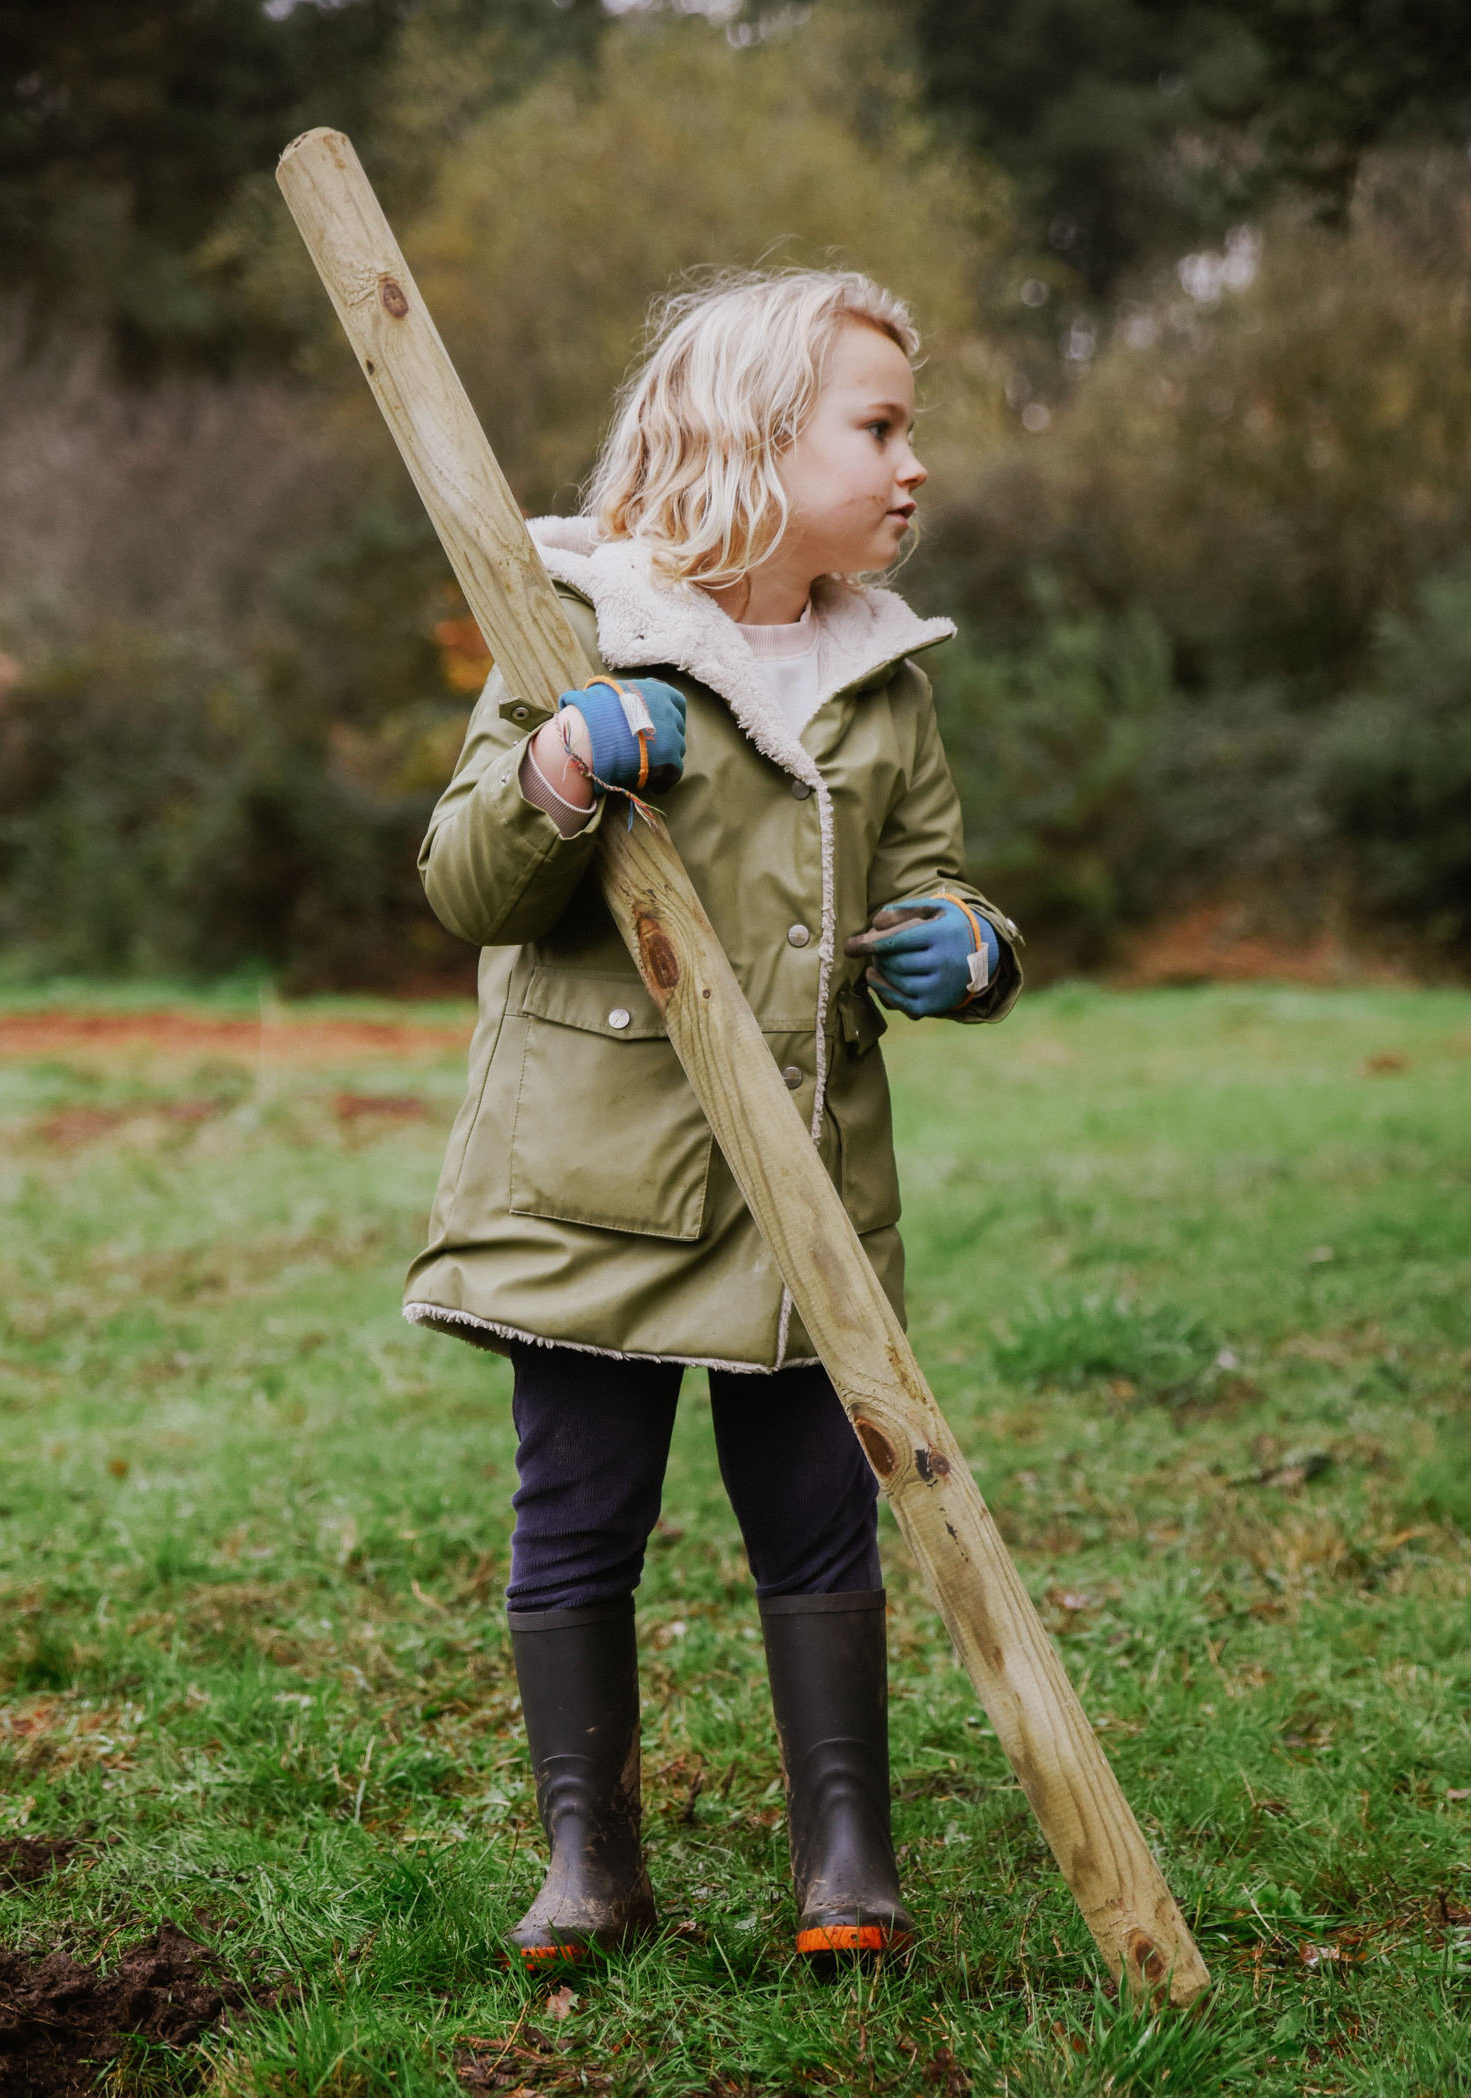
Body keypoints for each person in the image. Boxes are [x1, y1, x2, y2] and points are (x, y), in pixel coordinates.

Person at [406, 269, 1022, 1970]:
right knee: (579, 1514)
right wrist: (556, 769)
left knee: (822, 1515)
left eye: (910, 429)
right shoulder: (573, 623)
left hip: (802, 1186)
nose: (912, 465)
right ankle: (587, 1858)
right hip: (595, 1178)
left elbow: (932, 876)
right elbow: (467, 886)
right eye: (878, 427)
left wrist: (968, 950)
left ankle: (846, 1857)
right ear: (755, 437)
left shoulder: (880, 678)